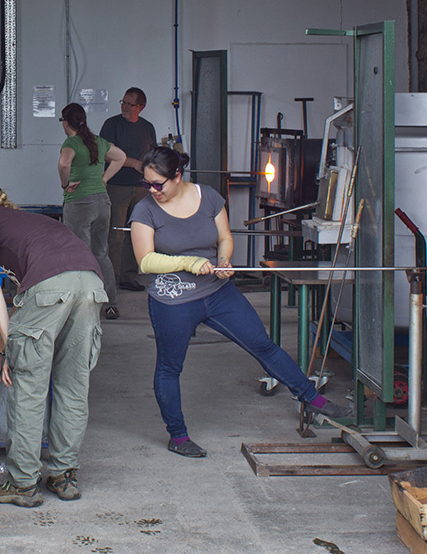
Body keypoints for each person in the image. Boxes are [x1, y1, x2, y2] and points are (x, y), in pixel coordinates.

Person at [129, 147, 348, 458]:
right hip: (173, 299)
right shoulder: (145, 210)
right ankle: (178, 436)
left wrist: (223, 260)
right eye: (146, 183)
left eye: (157, 184)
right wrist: (188, 262)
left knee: (263, 345)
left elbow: (225, 238)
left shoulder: (209, 197)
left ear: (177, 176)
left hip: (217, 291)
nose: (152, 190)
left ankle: (312, 399)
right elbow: (146, 260)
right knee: (169, 367)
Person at [0, 186, 106, 507]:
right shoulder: (31, 225)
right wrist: (0, 351)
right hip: (90, 283)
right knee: (73, 385)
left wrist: (12, 348)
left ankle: (23, 484)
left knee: (28, 388)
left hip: (51, 287)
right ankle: (64, 476)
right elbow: (28, 306)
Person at [58, 102, 127, 320]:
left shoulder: (71, 143)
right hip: (102, 203)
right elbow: (121, 157)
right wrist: (104, 178)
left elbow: (64, 163)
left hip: (79, 203)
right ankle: (111, 304)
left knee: (80, 255)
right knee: (101, 254)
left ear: (66, 123)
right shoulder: (97, 141)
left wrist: (65, 184)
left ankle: (83, 306)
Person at [100, 87, 157, 292]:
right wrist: (134, 163)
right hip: (117, 186)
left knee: (136, 233)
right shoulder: (112, 125)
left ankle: (128, 276)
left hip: (141, 187)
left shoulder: (147, 128)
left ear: (140, 107)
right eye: (123, 102)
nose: (124, 106)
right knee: (115, 234)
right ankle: (111, 279)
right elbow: (106, 154)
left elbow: (152, 155)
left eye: (129, 104)